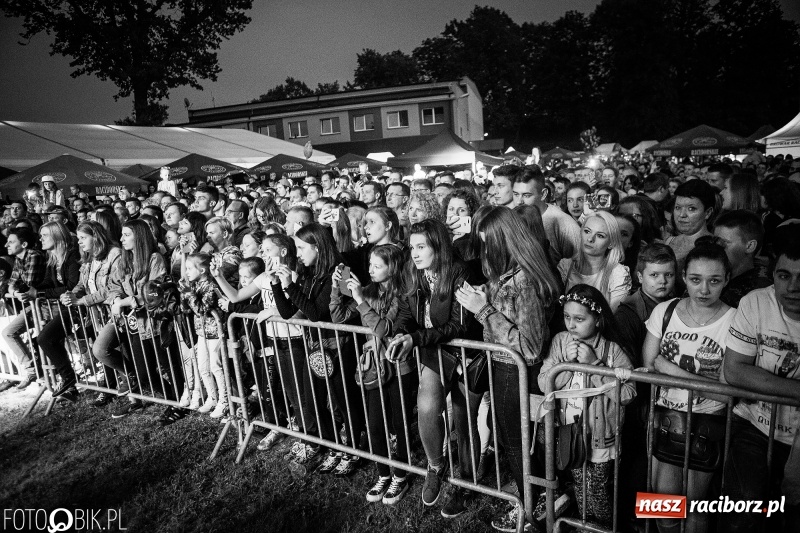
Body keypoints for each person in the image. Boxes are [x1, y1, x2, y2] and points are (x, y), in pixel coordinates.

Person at [452, 206, 560, 531]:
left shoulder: (526, 279)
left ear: (505, 241)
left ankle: (531, 509)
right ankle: (536, 501)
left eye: (488, 244)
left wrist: (483, 310)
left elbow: (529, 346)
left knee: (516, 444)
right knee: (512, 441)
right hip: (502, 368)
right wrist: (485, 298)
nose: (485, 251)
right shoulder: (509, 274)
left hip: (516, 373)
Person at [385, 219, 482, 518]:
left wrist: (415, 338)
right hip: (434, 353)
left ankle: (466, 484)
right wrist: (402, 332)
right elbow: (404, 311)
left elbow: (459, 324)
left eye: (421, 246)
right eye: (412, 246)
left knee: (465, 422)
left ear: (438, 246)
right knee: (427, 409)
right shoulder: (412, 272)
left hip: (466, 354)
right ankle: (436, 466)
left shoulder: (460, 271)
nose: (414, 253)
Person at [643, 243, 736, 533]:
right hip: (666, 417)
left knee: (697, 506)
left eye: (714, 280)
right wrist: (706, 384)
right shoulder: (665, 311)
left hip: (709, 422)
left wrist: (671, 369)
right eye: (695, 279)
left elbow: (728, 392)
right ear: (684, 277)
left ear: (727, 279)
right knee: (662, 505)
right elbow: (648, 368)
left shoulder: (736, 319)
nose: (704, 289)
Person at [719, 239, 800, 533]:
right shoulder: (756, 301)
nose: (793, 287)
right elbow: (735, 371)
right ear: (772, 274)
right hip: (755, 426)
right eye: (784, 275)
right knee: (742, 513)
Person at [539, 284, 635, 529]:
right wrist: (567, 364)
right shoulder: (561, 342)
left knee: (600, 493)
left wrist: (597, 366)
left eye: (579, 319)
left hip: (602, 438)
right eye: (567, 317)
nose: (571, 324)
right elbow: (544, 382)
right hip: (571, 434)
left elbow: (628, 394)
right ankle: (584, 526)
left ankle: (601, 528)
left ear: (598, 319)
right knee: (581, 489)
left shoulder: (613, 350)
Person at [271, 223, 365, 474]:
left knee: (344, 401)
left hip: (339, 346)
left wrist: (291, 286)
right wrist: (277, 285)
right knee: (312, 400)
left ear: (317, 246)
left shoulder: (341, 271)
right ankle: (332, 445)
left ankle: (354, 449)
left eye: (301, 248)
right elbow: (289, 312)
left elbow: (316, 313)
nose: (297, 253)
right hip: (315, 345)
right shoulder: (309, 272)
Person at [329, 244, 415, 505]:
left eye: (377, 266)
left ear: (393, 268)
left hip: (400, 367)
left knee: (400, 424)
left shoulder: (404, 295)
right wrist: (336, 289)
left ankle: (400, 474)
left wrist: (359, 300)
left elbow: (382, 329)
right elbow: (338, 317)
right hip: (373, 368)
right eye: (370, 265)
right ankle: (382, 473)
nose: (371, 270)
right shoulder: (368, 291)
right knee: (375, 423)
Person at [94, 219, 168, 419]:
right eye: (122, 235)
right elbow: (113, 285)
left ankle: (176, 400)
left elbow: (154, 292)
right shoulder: (125, 261)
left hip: (152, 321)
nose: (121, 238)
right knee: (142, 373)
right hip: (129, 322)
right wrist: (116, 297)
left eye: (126, 235)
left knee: (164, 366)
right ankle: (168, 397)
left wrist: (125, 302)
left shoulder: (154, 259)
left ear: (140, 236)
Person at [51, 221, 122, 406]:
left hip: (113, 312)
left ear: (95, 236)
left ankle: (134, 381)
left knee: (103, 349)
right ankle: (112, 387)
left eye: (83, 238)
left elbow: (110, 288)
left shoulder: (114, 254)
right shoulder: (89, 258)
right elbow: (83, 284)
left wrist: (81, 301)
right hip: (96, 314)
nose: (79, 242)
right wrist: (71, 294)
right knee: (101, 350)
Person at [0, 227, 47, 390]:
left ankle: (55, 378)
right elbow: (10, 284)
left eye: (11, 242)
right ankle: (32, 370)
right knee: (8, 332)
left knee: (44, 340)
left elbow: (29, 283)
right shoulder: (20, 259)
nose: (7, 245)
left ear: (25, 244)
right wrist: (15, 292)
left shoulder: (34, 255)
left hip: (44, 305)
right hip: (33, 306)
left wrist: (17, 289)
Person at [558, 211, 632, 313]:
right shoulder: (565, 266)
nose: (590, 239)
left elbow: (612, 319)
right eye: (587, 231)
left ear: (611, 244)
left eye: (600, 236)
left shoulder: (618, 274)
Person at [184, 253, 228, 418]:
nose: (186, 272)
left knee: (215, 366)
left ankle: (224, 400)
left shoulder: (210, 285)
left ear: (202, 270)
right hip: (202, 332)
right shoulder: (194, 285)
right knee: (203, 367)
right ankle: (212, 397)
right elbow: (187, 308)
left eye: (189, 268)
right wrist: (185, 294)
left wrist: (188, 293)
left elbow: (201, 309)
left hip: (215, 332)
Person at [512, 166, 581, 264]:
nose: (519, 201)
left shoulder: (565, 224)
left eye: (526, 195)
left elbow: (580, 264)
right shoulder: (512, 219)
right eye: (516, 194)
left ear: (543, 194)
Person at [713, 210, 771, 307]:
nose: (716, 247)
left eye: (724, 243)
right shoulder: (711, 274)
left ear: (750, 246)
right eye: (715, 241)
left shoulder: (759, 291)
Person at [665, 180, 716, 271]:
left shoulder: (715, 247)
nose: (682, 215)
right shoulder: (669, 241)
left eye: (691, 209)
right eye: (677, 208)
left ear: (707, 213)